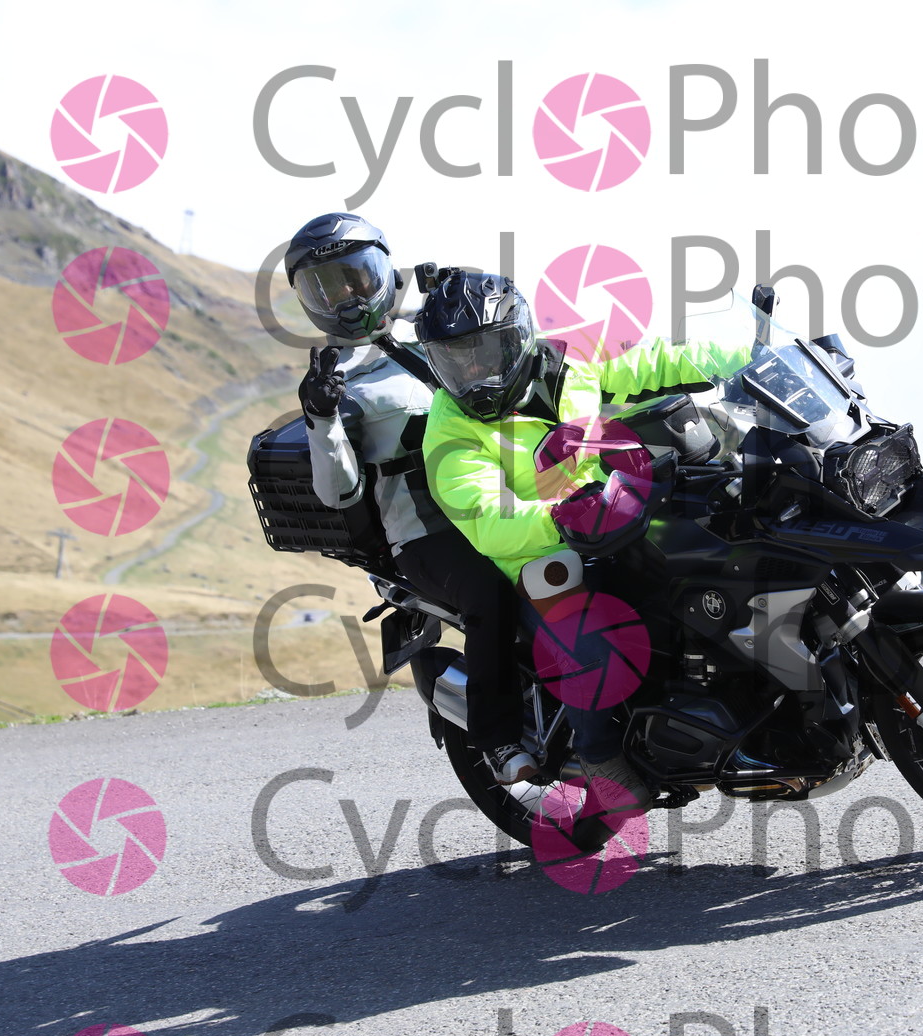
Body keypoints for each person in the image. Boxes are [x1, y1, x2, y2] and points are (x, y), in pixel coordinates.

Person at [417, 271, 751, 807]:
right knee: (594, 643)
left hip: (615, 513)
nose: (474, 373)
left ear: (517, 339)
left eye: (484, 353)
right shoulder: (450, 428)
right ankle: (601, 759)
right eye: (455, 361)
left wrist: (748, 357)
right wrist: (560, 518)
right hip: (541, 553)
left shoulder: (571, 360)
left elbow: (657, 362)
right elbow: (488, 519)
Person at [284, 213, 537, 785]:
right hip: (427, 533)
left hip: (501, 496)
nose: (349, 298)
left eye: (357, 276)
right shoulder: (337, 379)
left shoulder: (434, 328)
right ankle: (498, 740)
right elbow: (336, 491)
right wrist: (322, 417)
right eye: (327, 287)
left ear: (383, 271)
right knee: (492, 596)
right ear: (310, 301)